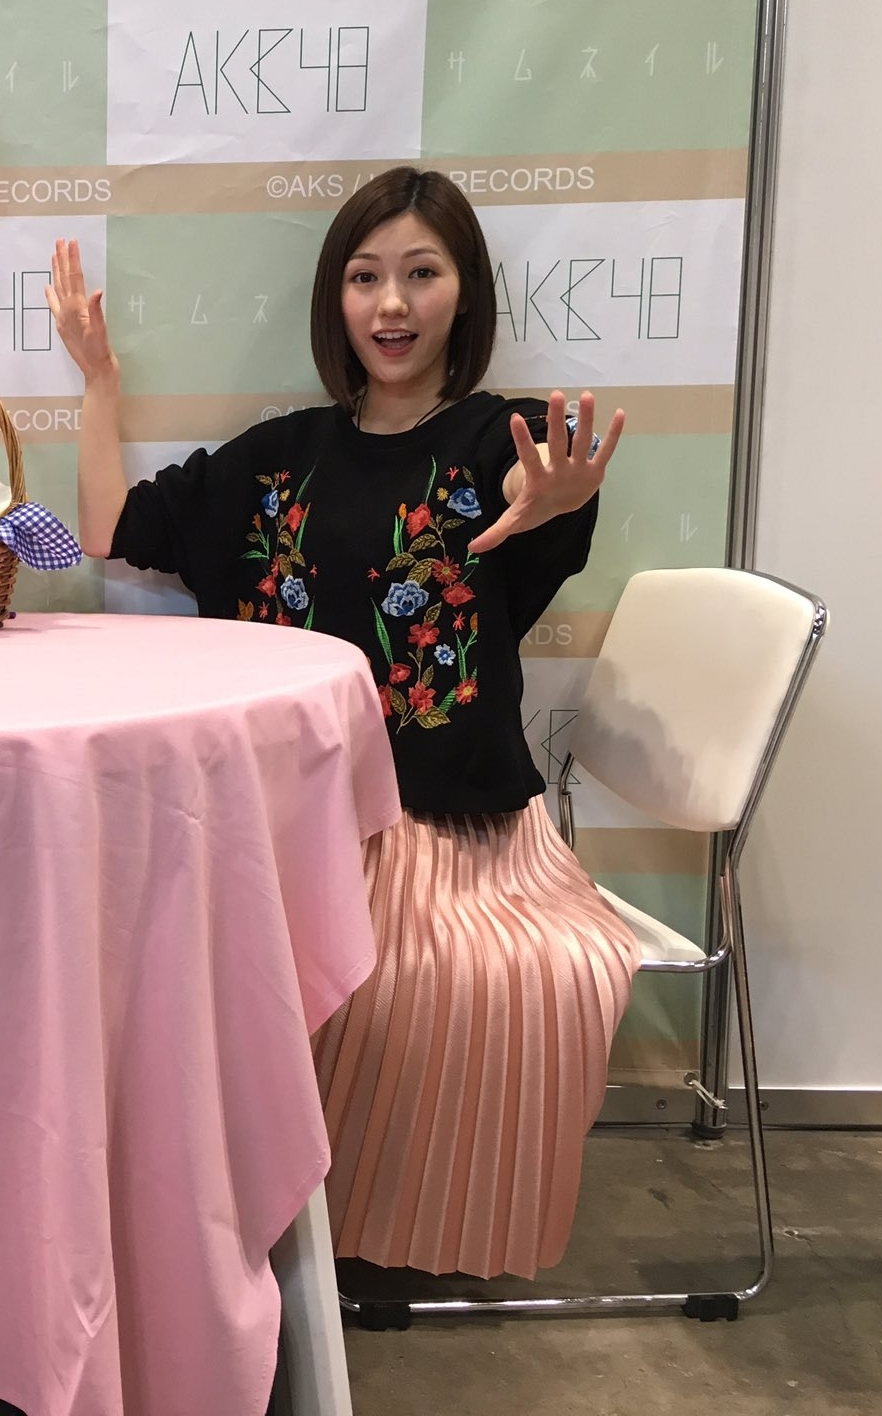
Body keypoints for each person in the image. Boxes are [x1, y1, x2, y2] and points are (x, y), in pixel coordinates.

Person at [47, 166, 641, 1280]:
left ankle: (352, 1247)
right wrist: (100, 380)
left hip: (449, 832)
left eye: (422, 273)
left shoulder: (504, 443)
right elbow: (110, 527)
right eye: (366, 277)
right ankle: (224, 1244)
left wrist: (557, 505)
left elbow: (543, 507)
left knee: (461, 979)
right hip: (284, 825)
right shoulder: (281, 458)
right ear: (337, 297)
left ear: (465, 291)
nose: (392, 304)